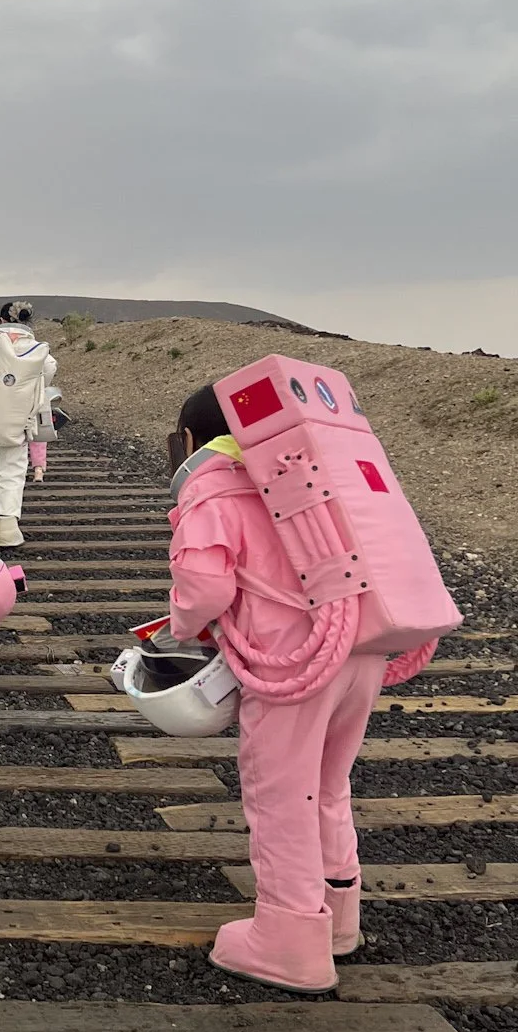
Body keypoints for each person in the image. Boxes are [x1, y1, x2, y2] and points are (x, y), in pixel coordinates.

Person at [166, 383, 430, 992]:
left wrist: (182, 625)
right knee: (328, 783)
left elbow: (204, 588)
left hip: (292, 662)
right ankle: (338, 916)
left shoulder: (215, 487)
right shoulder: (310, 473)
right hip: (361, 648)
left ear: (190, 439)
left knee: (279, 793)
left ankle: (289, 940)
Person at [0, 302, 56, 547]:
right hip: (18, 416)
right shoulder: (36, 347)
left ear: (1, 320)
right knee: (13, 469)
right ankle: (7, 526)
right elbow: (48, 371)